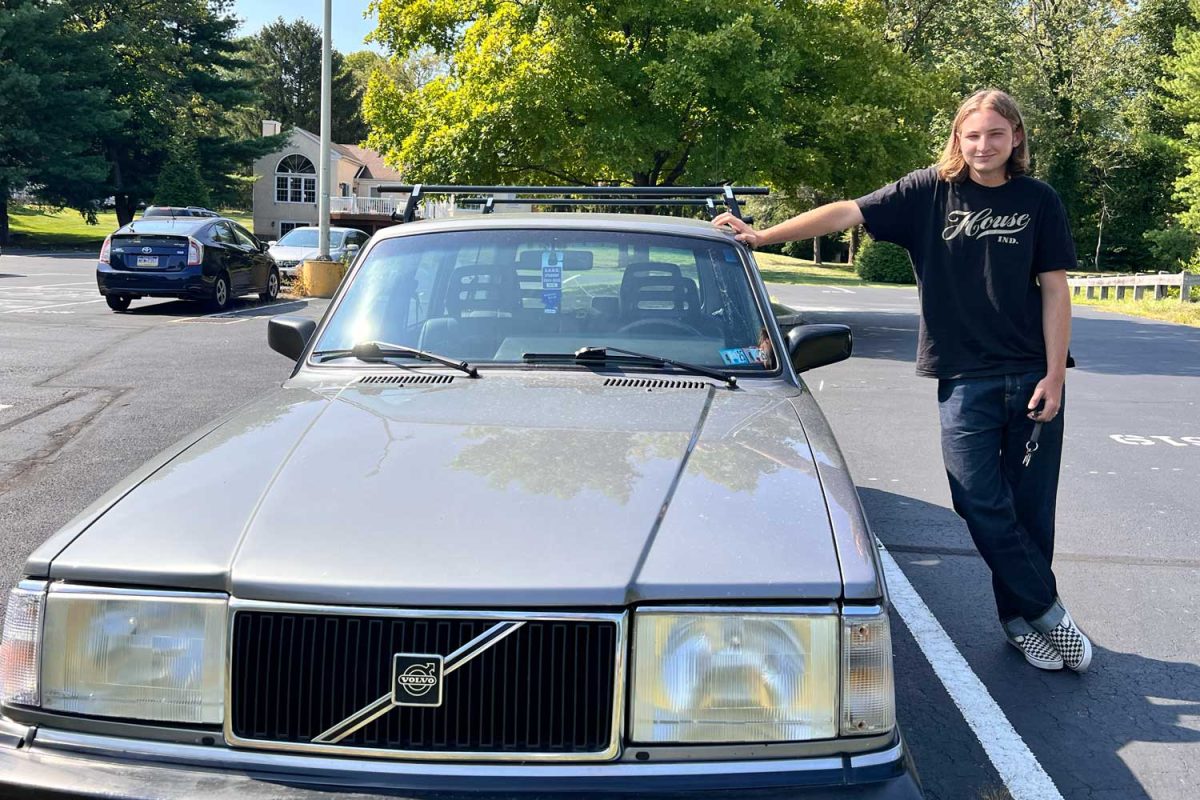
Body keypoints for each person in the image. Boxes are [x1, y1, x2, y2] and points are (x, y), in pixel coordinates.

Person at [714, 88, 1093, 673]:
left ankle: (1021, 624)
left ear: (1016, 137)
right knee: (976, 499)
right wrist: (763, 237)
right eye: (972, 135)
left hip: (1030, 375)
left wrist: (1054, 375)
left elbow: (1055, 289)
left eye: (995, 134)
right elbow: (847, 211)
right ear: (957, 139)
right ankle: (1047, 610)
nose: (983, 145)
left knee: (1031, 509)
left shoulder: (1038, 200)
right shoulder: (928, 191)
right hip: (965, 377)